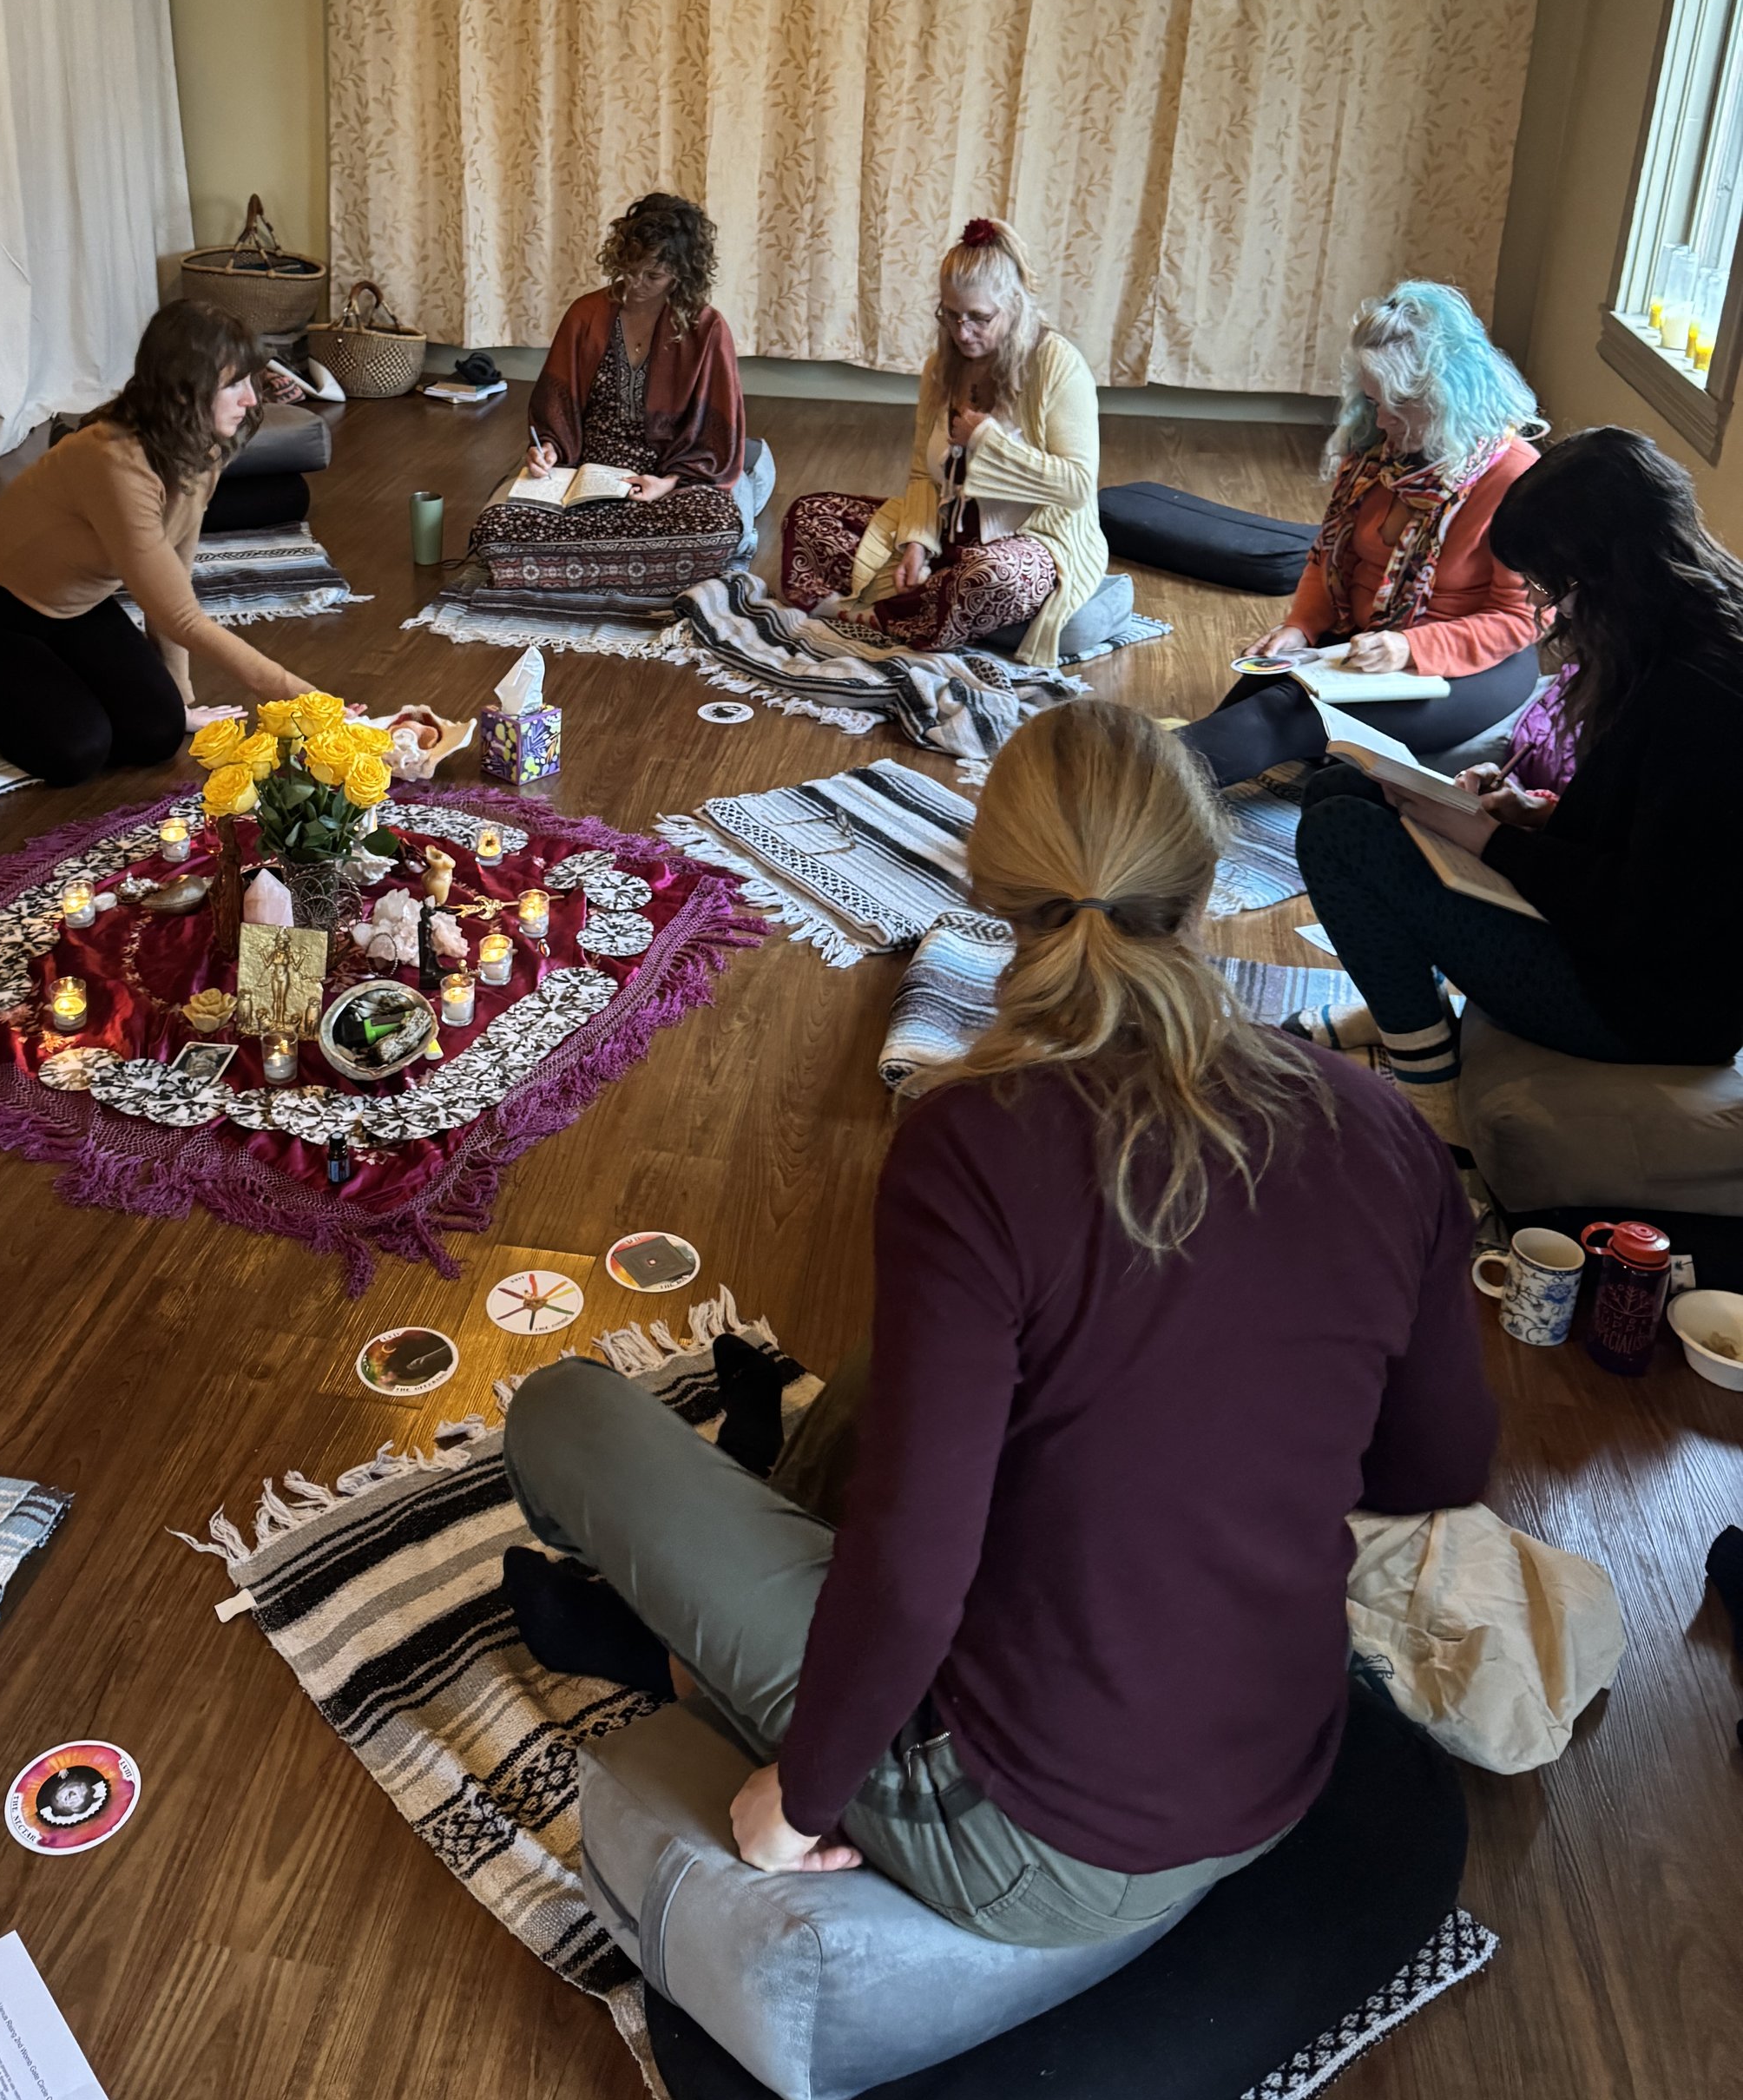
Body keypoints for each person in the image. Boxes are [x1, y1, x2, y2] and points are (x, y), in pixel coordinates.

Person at [502, 700, 1492, 1945]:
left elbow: (916, 1576)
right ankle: (727, 1628)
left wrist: (799, 1799)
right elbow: (1438, 1463)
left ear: (990, 893)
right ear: (1208, 883)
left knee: (563, 1412)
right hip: (1277, 1762)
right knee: (917, 1369)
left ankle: (690, 1666)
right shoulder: (1383, 1123)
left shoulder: (969, 1140)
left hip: (1034, 1834)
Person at [1296, 426, 1743, 1150]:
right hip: (1615, 949)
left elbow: (1648, 915)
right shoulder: (1674, 641)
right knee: (1343, 789)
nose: (1550, 610)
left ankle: (1439, 1117)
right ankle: (1410, 1009)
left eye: (1551, 588)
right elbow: (1663, 841)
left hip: (1644, 1005)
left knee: (1343, 833)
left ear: (1606, 571)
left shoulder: (1706, 694)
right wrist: (1538, 815)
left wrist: (1491, 840)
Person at [0, 301, 321, 787]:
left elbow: (176, 573)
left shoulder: (203, 446)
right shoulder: (112, 460)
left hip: (74, 605)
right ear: (184, 390)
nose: (252, 399)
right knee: (77, 752)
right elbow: (184, 619)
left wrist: (180, 699)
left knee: (156, 733)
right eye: (234, 384)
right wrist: (307, 701)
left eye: (250, 381)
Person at [1181, 282, 1543, 787]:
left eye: (1398, 405)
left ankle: (1128, 795)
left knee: (1284, 716)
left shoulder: (1515, 479)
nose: (1381, 420)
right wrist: (1302, 627)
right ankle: (1129, 786)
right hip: (1366, 641)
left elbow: (1516, 621)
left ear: (1448, 396)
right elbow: (1327, 559)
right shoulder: (1376, 452)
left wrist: (1409, 648)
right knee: (1253, 696)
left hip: (1467, 666)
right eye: (1373, 401)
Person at [780, 219, 1105, 666]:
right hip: (948, 539)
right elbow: (922, 473)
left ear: (1014, 303)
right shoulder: (942, 365)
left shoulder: (1057, 365)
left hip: (1028, 543)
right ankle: (919, 612)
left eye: (979, 318)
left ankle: (872, 614)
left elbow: (1077, 486)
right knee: (811, 514)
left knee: (994, 578)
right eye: (951, 315)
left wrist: (985, 440)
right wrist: (917, 544)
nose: (962, 332)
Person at [464, 194, 745, 600]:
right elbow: (555, 416)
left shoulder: (707, 328)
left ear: (682, 274)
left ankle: (560, 570)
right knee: (496, 529)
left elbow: (717, 438)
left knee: (716, 524)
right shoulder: (586, 314)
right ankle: (652, 572)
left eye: (654, 276)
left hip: (665, 479)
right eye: (630, 270)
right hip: (585, 474)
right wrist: (549, 452)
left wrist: (667, 484)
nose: (636, 284)